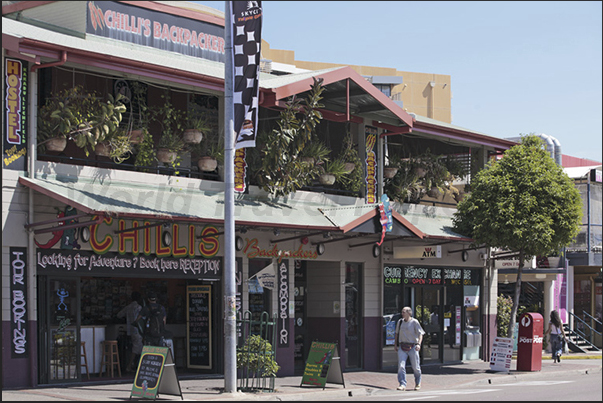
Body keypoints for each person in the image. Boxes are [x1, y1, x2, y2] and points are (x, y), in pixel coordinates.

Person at [394, 306, 425, 391]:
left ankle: (418, 383)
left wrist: (419, 344)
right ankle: (402, 384)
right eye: (402, 312)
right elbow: (396, 333)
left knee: (415, 367)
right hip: (402, 346)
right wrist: (395, 344)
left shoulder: (414, 322)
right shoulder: (400, 322)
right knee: (401, 366)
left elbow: (420, 334)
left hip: (413, 346)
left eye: (404, 312)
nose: (402, 313)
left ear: (409, 313)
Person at [117, 291, 143, 372]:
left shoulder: (128, 307)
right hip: (138, 330)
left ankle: (134, 365)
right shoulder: (139, 308)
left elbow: (119, 315)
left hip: (130, 330)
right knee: (137, 349)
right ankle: (130, 365)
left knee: (136, 348)